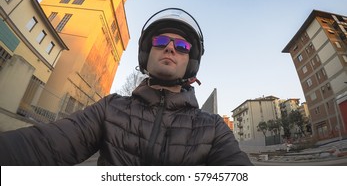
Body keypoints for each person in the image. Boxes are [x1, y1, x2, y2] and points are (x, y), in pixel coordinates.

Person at [0, 8, 252, 166]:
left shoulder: (212, 126)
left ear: (191, 62)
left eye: (183, 46)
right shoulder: (111, 108)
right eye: (161, 40)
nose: (170, 48)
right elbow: (45, 145)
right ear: (145, 54)